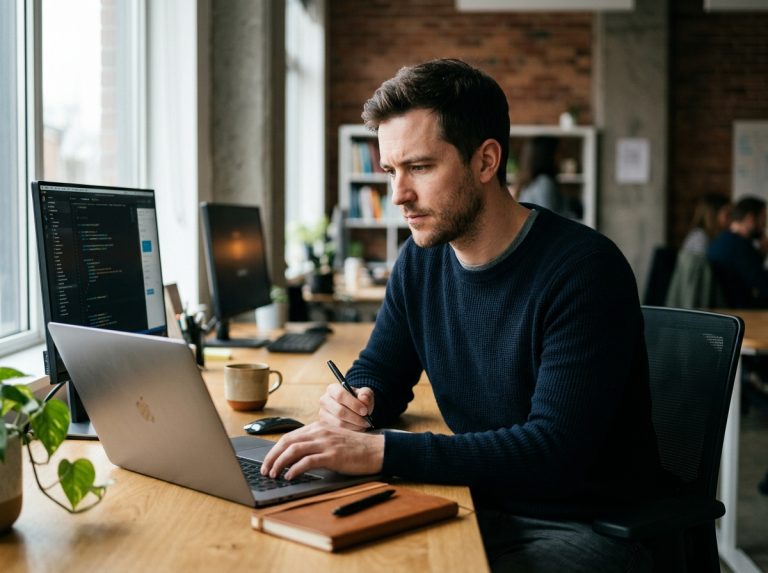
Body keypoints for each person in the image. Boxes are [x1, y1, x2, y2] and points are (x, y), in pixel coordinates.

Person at [261, 59, 661, 572]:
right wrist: (355, 401)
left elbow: (554, 451)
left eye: (420, 168)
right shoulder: (421, 260)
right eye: (391, 171)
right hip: (478, 501)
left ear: (486, 161)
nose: (399, 195)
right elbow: (381, 368)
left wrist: (382, 451)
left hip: (584, 524)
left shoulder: (583, 271)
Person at [707, 195, 768, 308]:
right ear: (750, 219)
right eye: (763, 219)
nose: (764, 226)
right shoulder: (740, 246)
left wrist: (761, 253)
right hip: (739, 310)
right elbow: (763, 285)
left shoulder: (723, 239)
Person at [513, 136, 568, 216]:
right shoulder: (544, 183)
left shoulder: (532, 182)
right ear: (548, 155)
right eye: (559, 152)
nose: (562, 157)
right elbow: (549, 221)